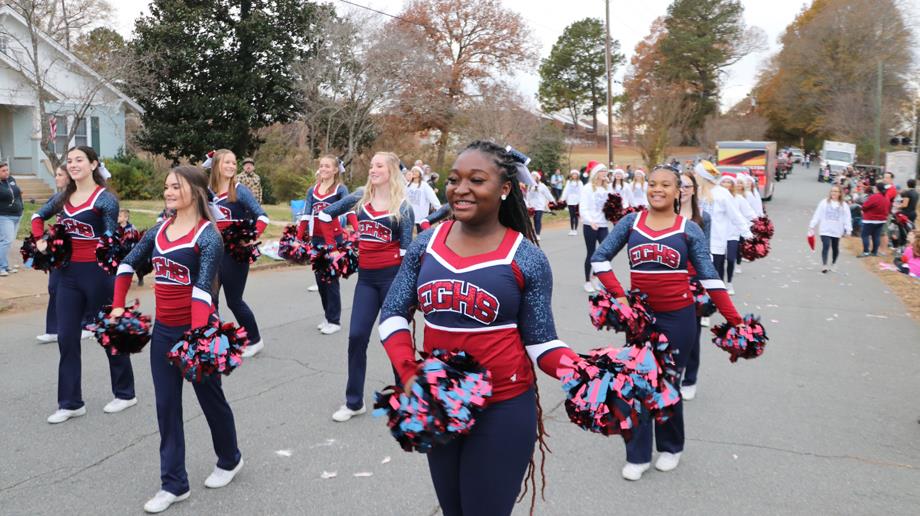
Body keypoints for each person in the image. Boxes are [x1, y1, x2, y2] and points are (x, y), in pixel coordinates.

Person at [378, 140, 579, 515]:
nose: (460, 188)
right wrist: (408, 373)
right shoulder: (426, 245)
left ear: (504, 189)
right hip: (439, 401)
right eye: (454, 180)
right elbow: (392, 315)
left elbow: (541, 342)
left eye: (476, 179)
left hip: (503, 407)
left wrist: (581, 370)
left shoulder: (526, 257)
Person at [591, 165, 744, 481]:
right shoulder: (631, 223)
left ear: (679, 191)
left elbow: (709, 277)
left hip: (679, 319)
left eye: (665, 185)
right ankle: (637, 454)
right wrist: (620, 297)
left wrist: (736, 320)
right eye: (652, 183)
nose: (657, 189)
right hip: (640, 319)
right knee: (636, 383)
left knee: (667, 383)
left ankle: (672, 447)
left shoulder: (689, 229)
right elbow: (600, 259)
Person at [112, 166, 242, 514]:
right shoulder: (158, 231)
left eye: (176, 186)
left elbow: (203, 290)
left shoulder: (208, 236)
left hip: (198, 330)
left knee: (210, 399)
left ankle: (230, 458)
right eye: (166, 186)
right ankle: (174, 483)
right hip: (164, 332)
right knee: (166, 406)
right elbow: (127, 265)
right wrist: (116, 307)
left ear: (196, 191)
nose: (168, 191)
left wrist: (199, 336)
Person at [31, 146, 135, 424]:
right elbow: (36, 217)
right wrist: (41, 240)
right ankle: (71, 402)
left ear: (93, 165)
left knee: (109, 333)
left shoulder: (105, 199)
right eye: (70, 161)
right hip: (67, 275)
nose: (73, 165)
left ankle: (125, 392)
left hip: (98, 274)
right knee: (66, 337)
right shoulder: (63, 197)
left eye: (80, 160)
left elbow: (113, 240)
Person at [317, 152, 413, 422]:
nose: (373, 169)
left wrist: (408, 291)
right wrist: (336, 247)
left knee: (395, 340)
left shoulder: (403, 206)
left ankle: (403, 398)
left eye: (378, 165)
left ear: (391, 171)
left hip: (393, 280)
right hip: (366, 280)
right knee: (357, 336)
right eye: (371, 165)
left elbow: (407, 253)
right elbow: (325, 215)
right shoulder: (360, 197)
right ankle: (354, 401)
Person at [209, 149, 270, 358]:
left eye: (233, 163)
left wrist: (251, 238)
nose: (231, 166)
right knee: (210, 300)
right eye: (226, 162)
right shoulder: (208, 191)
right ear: (216, 164)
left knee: (234, 300)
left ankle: (255, 339)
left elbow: (262, 217)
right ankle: (213, 341)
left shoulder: (239, 190)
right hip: (212, 251)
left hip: (235, 254)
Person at [297, 155, 355, 335]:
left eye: (327, 166)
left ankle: (334, 320)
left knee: (331, 281)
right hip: (316, 239)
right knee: (320, 281)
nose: (323, 169)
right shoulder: (312, 190)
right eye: (321, 165)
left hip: (334, 240)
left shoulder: (340, 189)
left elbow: (350, 209)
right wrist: (299, 236)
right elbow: (307, 214)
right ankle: (327, 316)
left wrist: (357, 229)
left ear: (336, 170)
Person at [678, 171, 711, 400]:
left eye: (687, 185)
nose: (682, 189)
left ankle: (690, 379)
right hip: (666, 280)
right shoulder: (663, 214)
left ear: (694, 190)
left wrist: (707, 284)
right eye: (678, 184)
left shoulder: (703, 219)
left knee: (692, 332)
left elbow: (704, 254)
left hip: (692, 282)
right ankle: (668, 375)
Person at [694, 162, 751, 296]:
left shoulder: (722, 193)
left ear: (703, 175)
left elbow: (735, 215)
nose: (694, 175)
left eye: (696, 173)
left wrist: (748, 234)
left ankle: (710, 306)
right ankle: (700, 311)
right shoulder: (695, 193)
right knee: (697, 281)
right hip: (696, 243)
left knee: (713, 281)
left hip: (715, 244)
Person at [36, 165, 73, 343]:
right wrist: (41, 238)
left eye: (60, 175)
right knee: (54, 287)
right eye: (56, 174)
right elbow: (40, 215)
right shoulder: (58, 197)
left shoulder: (80, 197)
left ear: (69, 177)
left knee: (82, 288)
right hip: (60, 250)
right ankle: (53, 329)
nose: (56, 178)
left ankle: (89, 323)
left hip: (80, 251)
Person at [579, 161, 612, 293]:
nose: (605, 173)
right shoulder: (587, 188)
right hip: (590, 225)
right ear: (596, 174)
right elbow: (583, 207)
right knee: (591, 253)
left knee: (605, 254)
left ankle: (596, 277)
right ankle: (587, 281)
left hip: (603, 225)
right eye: (602, 171)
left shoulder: (607, 188)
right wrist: (590, 220)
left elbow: (614, 201)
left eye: (605, 171)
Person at [809, 185, 852, 273]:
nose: (833, 193)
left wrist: (848, 229)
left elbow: (847, 218)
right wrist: (812, 225)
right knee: (826, 245)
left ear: (840, 193)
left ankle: (833, 263)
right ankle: (824, 265)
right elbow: (817, 214)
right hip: (825, 229)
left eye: (836, 191)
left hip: (837, 229)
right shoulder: (824, 202)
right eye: (832, 191)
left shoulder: (844, 205)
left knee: (835, 247)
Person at [0, 161, 23, 277]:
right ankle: (1, 267)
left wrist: (21, 207)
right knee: (6, 241)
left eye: (7, 170)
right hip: (4, 216)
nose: (6, 172)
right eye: (3, 171)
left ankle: (4, 264)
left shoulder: (11, 179)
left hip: (17, 215)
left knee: (6, 242)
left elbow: (18, 195)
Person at [859, 183, 890, 257]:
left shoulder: (874, 197)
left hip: (870, 219)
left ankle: (866, 252)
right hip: (881, 220)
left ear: (877, 189)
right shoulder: (886, 197)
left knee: (865, 235)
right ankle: (874, 252)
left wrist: (863, 209)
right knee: (876, 236)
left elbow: (865, 206)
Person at [525, 171, 554, 241]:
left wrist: (553, 201)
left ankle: (537, 234)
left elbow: (547, 194)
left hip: (540, 205)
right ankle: (535, 233)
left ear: (538, 177)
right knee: (534, 220)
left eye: (534, 176)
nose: (533, 177)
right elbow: (528, 195)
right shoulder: (530, 186)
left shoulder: (542, 186)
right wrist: (527, 203)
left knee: (538, 219)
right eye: (532, 176)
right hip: (532, 205)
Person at [559, 170, 582, 236]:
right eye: (573, 174)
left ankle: (575, 230)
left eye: (576, 174)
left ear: (577, 175)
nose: (574, 175)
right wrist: (562, 198)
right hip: (570, 201)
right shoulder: (569, 182)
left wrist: (582, 200)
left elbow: (582, 191)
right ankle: (572, 229)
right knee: (572, 216)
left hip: (577, 201)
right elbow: (566, 191)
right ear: (571, 175)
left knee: (576, 216)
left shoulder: (580, 183)